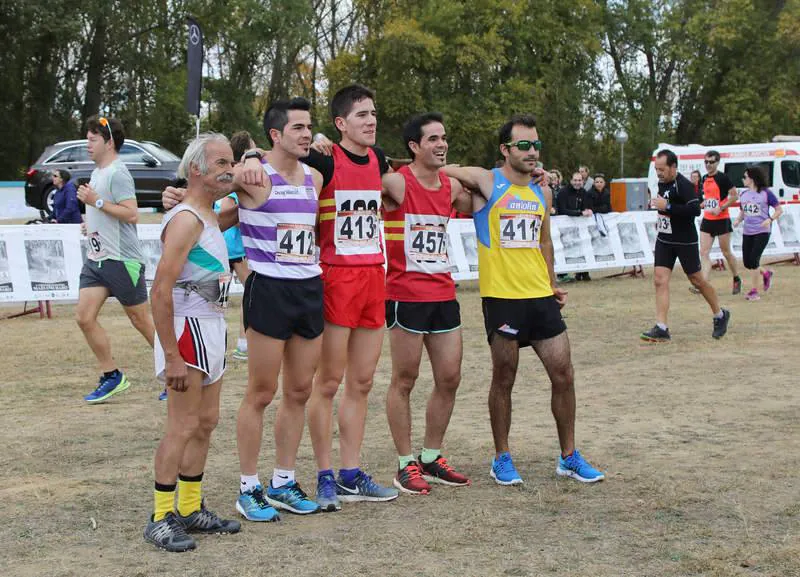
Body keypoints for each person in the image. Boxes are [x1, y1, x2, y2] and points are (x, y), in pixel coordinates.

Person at [240, 84, 399, 511]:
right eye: (362, 115)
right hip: (329, 281)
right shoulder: (321, 159)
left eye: (374, 114)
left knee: (361, 382)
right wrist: (250, 156)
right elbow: (267, 157)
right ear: (343, 123)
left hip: (372, 280)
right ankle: (324, 475)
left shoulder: (379, 159)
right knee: (323, 384)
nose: (371, 121)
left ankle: (349, 473)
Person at [445, 114, 605, 486]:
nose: (532, 152)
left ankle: (568, 456)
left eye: (536, 145)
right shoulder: (488, 182)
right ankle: (501, 457)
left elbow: (544, 240)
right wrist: (478, 171)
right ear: (505, 150)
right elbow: (446, 170)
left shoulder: (542, 191)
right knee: (505, 377)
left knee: (563, 374)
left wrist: (551, 282)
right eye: (524, 145)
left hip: (539, 296)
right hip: (502, 297)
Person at [144, 133, 240, 552]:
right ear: (196, 170)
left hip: (212, 326)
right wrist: (171, 354)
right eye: (221, 163)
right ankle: (161, 516)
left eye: (230, 161)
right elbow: (160, 290)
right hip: (189, 331)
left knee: (205, 422)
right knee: (181, 426)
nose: (229, 169)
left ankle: (188, 506)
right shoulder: (186, 219)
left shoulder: (210, 214)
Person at [232, 97, 324, 521]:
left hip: (308, 289)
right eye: (298, 128)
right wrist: (245, 160)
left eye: (309, 127)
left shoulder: (315, 178)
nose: (307, 134)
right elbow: (211, 179)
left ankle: (283, 481)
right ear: (275, 134)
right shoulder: (252, 176)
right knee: (261, 392)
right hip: (268, 290)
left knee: (300, 391)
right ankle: (247, 487)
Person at [382, 112, 473, 495]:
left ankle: (431, 456)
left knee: (449, 377)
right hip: (405, 295)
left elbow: (483, 193)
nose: (441, 144)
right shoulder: (396, 184)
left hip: (443, 293)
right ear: (413, 147)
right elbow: (353, 182)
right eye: (432, 139)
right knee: (405, 379)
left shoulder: (450, 187)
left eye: (444, 137)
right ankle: (405, 463)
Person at [75, 116, 155, 403]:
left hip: (123, 261)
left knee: (141, 320)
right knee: (84, 318)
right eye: (87, 139)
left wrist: (96, 202)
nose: (88, 145)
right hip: (97, 260)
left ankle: (175, 372)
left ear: (109, 142)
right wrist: (92, 223)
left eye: (92, 139)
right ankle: (112, 375)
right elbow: (107, 210)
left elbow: (131, 213)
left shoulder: (118, 173)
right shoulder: (97, 172)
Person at [641, 149, 730, 342]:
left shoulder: (684, 185)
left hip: (685, 240)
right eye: (657, 169)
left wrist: (669, 207)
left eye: (662, 169)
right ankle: (661, 327)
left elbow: (694, 210)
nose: (659, 173)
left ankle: (720, 315)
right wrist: (662, 215)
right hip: (665, 239)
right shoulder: (661, 183)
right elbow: (665, 206)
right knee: (659, 280)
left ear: (673, 167)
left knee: (697, 280)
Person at [216, 130, 253, 362]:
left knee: (233, 298)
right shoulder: (239, 181)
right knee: (248, 295)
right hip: (233, 250)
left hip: (231, 249)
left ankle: (240, 345)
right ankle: (239, 345)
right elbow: (227, 207)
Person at [734, 166, 782, 301]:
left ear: (752, 179)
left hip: (762, 231)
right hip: (747, 231)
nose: (742, 179)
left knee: (754, 260)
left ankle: (754, 292)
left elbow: (779, 210)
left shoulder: (766, 193)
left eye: (745, 177)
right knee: (747, 262)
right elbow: (743, 211)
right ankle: (766, 273)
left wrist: (770, 219)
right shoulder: (743, 194)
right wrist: (738, 220)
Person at [698, 150, 741, 294]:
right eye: (706, 162)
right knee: (703, 252)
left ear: (717, 162)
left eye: (711, 162)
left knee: (726, 252)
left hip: (722, 220)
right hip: (707, 220)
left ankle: (736, 278)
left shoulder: (723, 178)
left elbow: (735, 196)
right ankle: (703, 283)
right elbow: (706, 197)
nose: (708, 165)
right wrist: (703, 204)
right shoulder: (703, 178)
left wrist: (721, 207)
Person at [557, 172, 593, 281]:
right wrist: (580, 213)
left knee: (581, 247)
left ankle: (582, 272)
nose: (577, 183)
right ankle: (562, 274)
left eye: (579, 180)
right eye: (575, 180)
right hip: (563, 225)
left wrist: (589, 210)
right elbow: (562, 210)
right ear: (571, 181)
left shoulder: (584, 192)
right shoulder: (563, 192)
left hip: (578, 226)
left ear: (583, 181)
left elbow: (586, 207)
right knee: (564, 249)